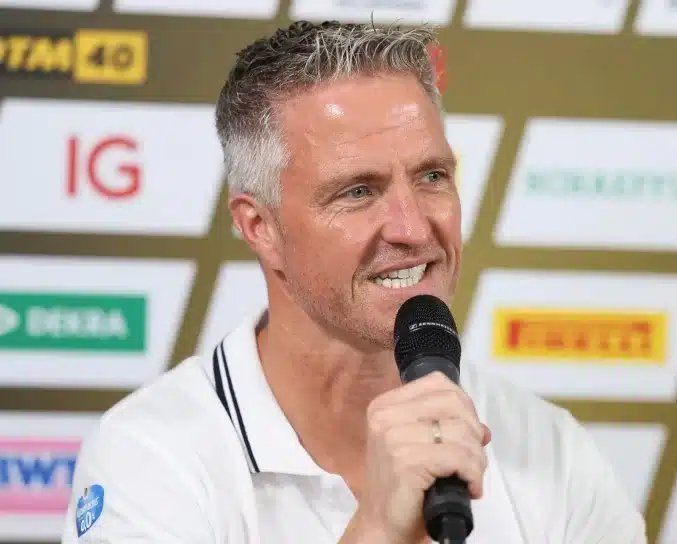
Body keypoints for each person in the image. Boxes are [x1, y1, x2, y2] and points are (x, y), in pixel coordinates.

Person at [62, 20, 647, 544]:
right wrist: (378, 531)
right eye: (358, 191)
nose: (413, 228)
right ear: (260, 227)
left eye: (432, 176)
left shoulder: (550, 449)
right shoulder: (149, 457)